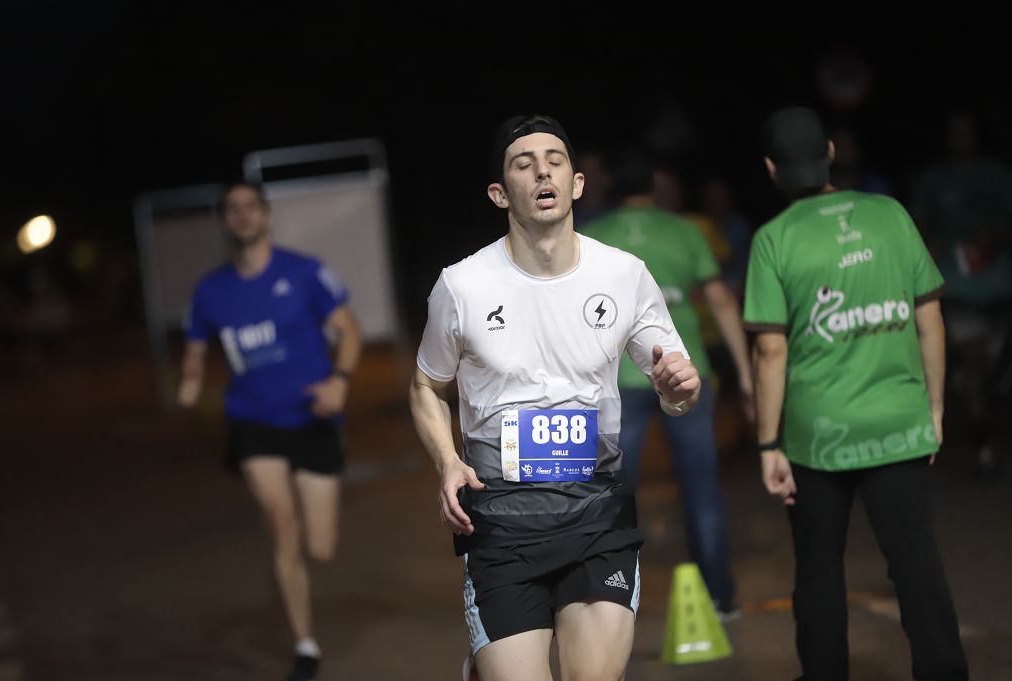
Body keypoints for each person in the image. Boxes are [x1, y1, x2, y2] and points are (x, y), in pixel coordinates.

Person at [409, 115, 700, 681]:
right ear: (500, 193)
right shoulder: (462, 286)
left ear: (578, 184)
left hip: (597, 518)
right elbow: (425, 385)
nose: (542, 169)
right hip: (501, 526)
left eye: (555, 160)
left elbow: (678, 389)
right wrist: (447, 462)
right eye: (523, 163)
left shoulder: (624, 275)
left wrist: (679, 392)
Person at [745, 107, 968, 681]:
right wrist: (936, 409)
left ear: (771, 168)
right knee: (916, 563)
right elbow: (930, 316)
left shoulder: (774, 239)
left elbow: (771, 351)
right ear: (831, 154)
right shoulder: (889, 214)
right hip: (898, 420)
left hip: (817, 437)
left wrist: (769, 442)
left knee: (819, 570)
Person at [177, 182, 363, 681]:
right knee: (283, 525)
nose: (240, 215)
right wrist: (191, 383)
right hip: (252, 419)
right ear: (224, 220)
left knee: (320, 547)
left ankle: (295, 550)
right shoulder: (210, 290)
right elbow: (195, 348)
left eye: (249, 207)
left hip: (312, 418)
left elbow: (349, 329)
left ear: (265, 215)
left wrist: (340, 381)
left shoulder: (303, 272)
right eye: (231, 209)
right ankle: (306, 645)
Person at [584, 147, 753, 619]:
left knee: (611, 494)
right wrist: (745, 375)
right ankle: (720, 598)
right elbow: (720, 298)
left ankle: (605, 599)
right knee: (702, 490)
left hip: (617, 379)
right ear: (656, 185)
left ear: (611, 185)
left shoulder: (593, 236)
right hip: (686, 372)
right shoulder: (685, 230)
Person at [911, 111, 1012, 477]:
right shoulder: (932, 180)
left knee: (990, 366)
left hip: (999, 288)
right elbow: (919, 224)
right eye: (954, 131)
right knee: (973, 360)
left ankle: (974, 385)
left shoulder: (997, 176)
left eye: (966, 130)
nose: (960, 137)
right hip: (955, 289)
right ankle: (982, 445)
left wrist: (993, 237)